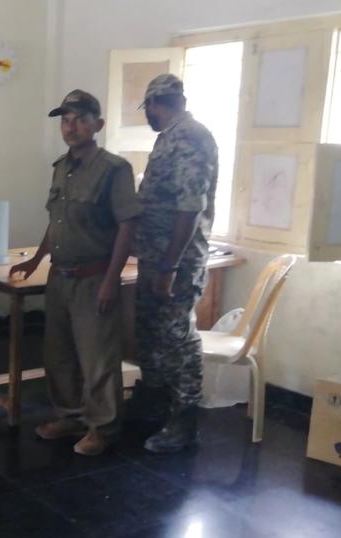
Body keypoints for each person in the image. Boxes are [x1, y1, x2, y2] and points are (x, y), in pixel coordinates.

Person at [9, 90, 140, 456]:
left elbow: (127, 228)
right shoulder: (60, 167)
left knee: (97, 357)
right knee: (59, 353)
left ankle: (103, 429)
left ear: (97, 125)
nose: (71, 127)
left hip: (94, 276)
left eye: (80, 119)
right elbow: (58, 222)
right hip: (60, 276)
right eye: (66, 120)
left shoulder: (114, 169)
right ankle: (69, 416)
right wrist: (35, 261)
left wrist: (111, 281)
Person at [128, 74, 219, 453]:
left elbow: (189, 207)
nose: (147, 116)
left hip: (176, 263)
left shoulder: (190, 137)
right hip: (155, 257)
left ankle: (184, 421)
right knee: (151, 332)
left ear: (153, 104)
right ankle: (153, 403)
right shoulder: (169, 137)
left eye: (147, 108)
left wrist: (168, 268)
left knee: (178, 339)